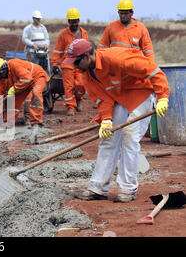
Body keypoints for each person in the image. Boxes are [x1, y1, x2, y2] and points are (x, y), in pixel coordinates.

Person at [65, 39, 169, 202]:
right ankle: (98, 188)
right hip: (119, 97)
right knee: (108, 138)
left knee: (129, 137)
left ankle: (128, 189)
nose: (75, 66)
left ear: (87, 56)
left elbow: (153, 71)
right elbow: (102, 98)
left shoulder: (116, 58)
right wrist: (106, 120)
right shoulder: (86, 75)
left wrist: (162, 97)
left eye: (77, 62)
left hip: (140, 93)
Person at [0, 57, 49, 127]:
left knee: (36, 93)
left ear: (2, 70)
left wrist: (14, 89)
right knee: (14, 101)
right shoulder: (2, 78)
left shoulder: (14, 65)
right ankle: (8, 122)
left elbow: (27, 78)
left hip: (37, 76)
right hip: (24, 82)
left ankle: (36, 122)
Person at [51, 8, 89, 116]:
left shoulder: (83, 33)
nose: (74, 23)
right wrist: (55, 63)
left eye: (76, 21)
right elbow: (58, 49)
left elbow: (86, 48)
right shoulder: (63, 34)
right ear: (69, 22)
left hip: (80, 63)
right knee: (69, 87)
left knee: (81, 84)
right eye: (72, 21)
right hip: (67, 63)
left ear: (78, 20)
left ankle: (79, 99)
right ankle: (70, 107)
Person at [22, 10, 50, 74]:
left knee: (45, 69)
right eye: (36, 19)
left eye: (39, 19)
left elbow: (47, 38)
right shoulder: (28, 28)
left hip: (43, 52)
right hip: (33, 53)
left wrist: (46, 44)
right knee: (34, 68)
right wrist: (32, 44)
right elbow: (24, 39)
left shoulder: (43, 28)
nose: (38, 20)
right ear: (33, 18)